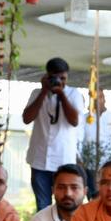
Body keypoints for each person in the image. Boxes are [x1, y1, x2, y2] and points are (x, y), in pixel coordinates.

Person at [22, 58, 85, 211]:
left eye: (63, 78)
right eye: (55, 77)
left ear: (67, 77)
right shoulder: (37, 93)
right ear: (47, 75)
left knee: (66, 203)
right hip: (39, 160)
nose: (59, 81)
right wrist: (44, 91)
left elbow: (74, 121)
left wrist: (61, 94)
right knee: (42, 205)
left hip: (63, 160)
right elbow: (27, 118)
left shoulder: (74, 94)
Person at [76, 89, 111, 196]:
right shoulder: (84, 119)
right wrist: (82, 164)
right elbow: (78, 143)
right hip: (91, 170)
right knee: (94, 199)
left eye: (99, 97)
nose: (96, 100)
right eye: (93, 98)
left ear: (104, 98)